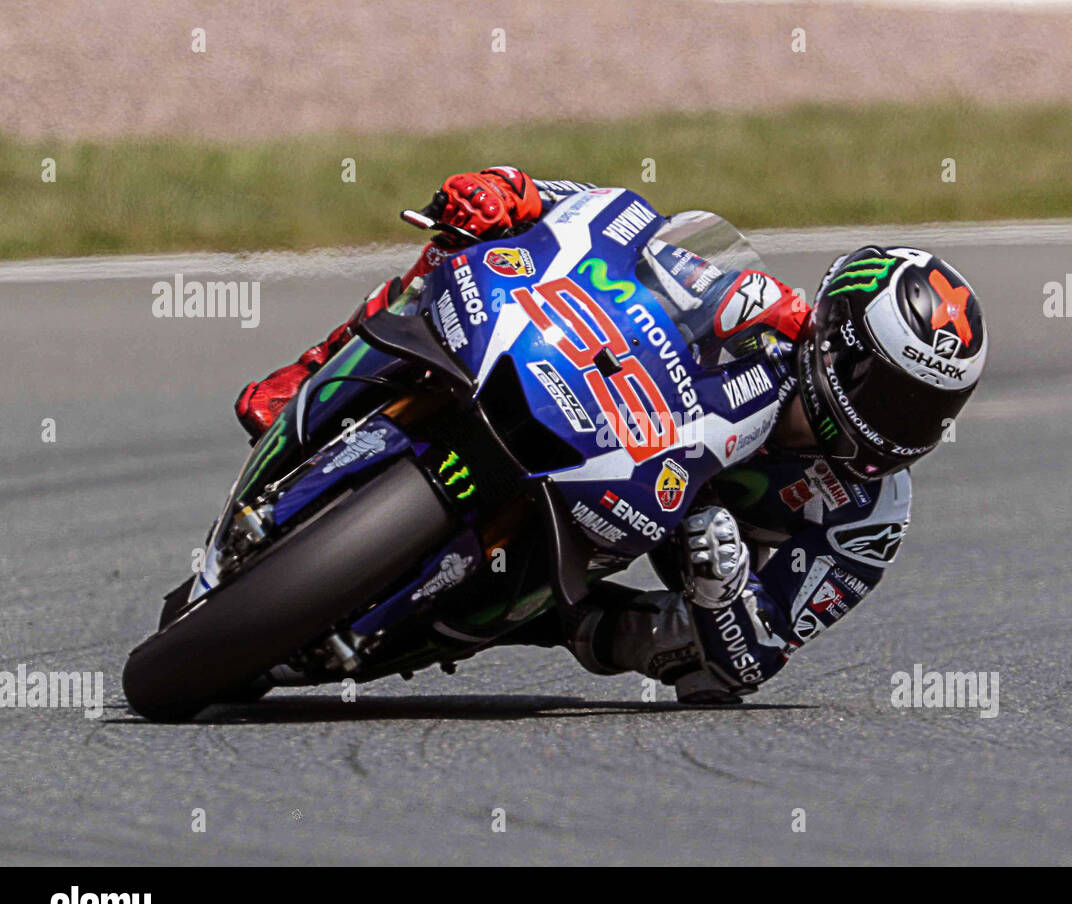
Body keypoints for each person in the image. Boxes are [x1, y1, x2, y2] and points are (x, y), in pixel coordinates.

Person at [235, 166, 988, 703]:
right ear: (837, 343)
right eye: (887, 393)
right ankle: (309, 375)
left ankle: (515, 613)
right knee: (466, 247)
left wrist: (722, 591)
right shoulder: (761, 309)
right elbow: (619, 229)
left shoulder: (868, 517)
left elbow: (753, 660)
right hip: (609, 429)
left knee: (678, 651)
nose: (898, 426)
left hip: (670, 538)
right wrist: (516, 193)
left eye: (924, 409)